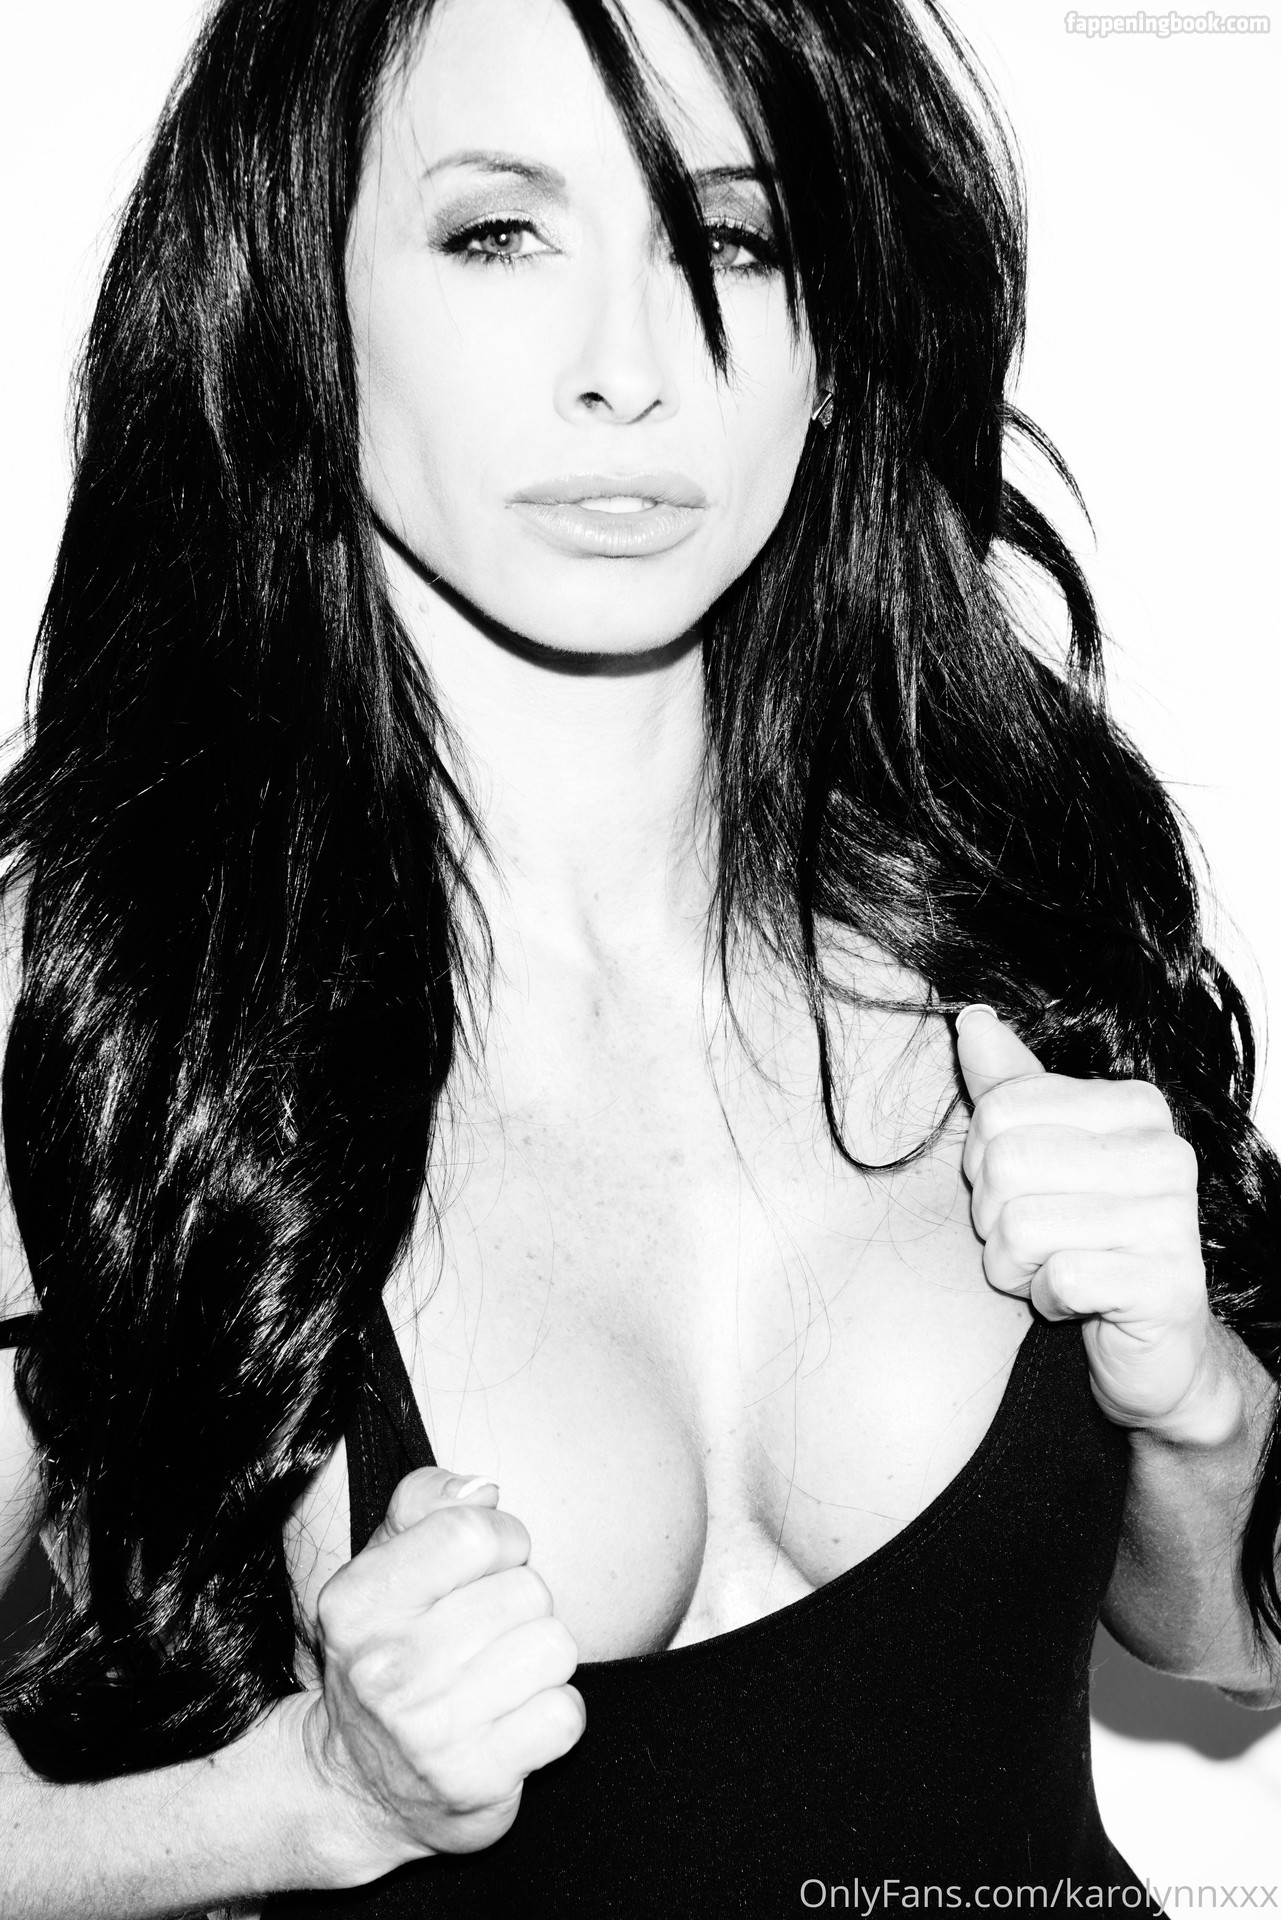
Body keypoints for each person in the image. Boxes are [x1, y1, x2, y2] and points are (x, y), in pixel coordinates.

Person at [0, 0, 1278, 1912]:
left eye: (732, 241)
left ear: (836, 348)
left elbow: (1226, 1646)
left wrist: (1194, 1403)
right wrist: (309, 1803)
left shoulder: (999, 883)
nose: (628, 367)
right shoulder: (106, 989)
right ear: (298, 306)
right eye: (497, 233)